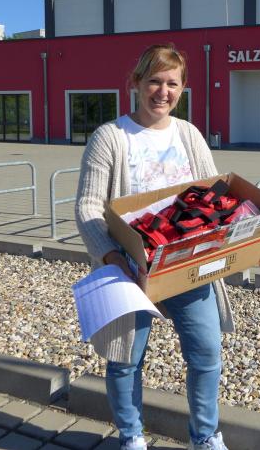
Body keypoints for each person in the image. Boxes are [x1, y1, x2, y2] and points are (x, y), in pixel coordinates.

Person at [75, 44, 233, 450]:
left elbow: (215, 198)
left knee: (206, 353)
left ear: (183, 88)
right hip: (130, 268)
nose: (163, 92)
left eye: (172, 84)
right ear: (136, 83)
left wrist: (243, 241)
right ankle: (132, 437)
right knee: (125, 360)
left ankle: (205, 437)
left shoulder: (188, 134)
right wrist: (113, 258)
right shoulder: (110, 137)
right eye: (155, 81)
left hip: (185, 264)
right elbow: (88, 206)